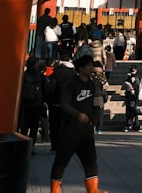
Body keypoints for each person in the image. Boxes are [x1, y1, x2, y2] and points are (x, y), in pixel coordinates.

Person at [49, 54, 108, 193]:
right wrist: (77, 114)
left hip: (85, 132)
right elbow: (64, 104)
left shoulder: (92, 84)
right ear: (80, 68)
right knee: (61, 161)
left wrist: (92, 122)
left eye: (91, 65)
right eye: (88, 65)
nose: (91, 68)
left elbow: (93, 105)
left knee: (90, 161)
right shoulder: (72, 84)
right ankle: (55, 189)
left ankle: (93, 190)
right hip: (70, 129)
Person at [20, 56, 47, 153]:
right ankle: (31, 146)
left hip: (24, 104)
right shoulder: (40, 76)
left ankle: (22, 145)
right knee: (34, 127)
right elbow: (45, 91)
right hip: (36, 104)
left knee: (24, 126)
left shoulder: (22, 76)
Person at [91, 60, 108, 135]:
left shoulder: (90, 75)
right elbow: (106, 85)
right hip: (100, 96)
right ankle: (99, 128)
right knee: (100, 114)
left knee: (92, 113)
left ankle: (92, 127)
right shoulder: (102, 76)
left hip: (91, 96)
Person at [122, 66, 139, 132]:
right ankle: (131, 124)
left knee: (132, 111)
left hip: (132, 96)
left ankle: (133, 124)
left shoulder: (135, 78)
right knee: (130, 111)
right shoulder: (129, 78)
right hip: (131, 96)